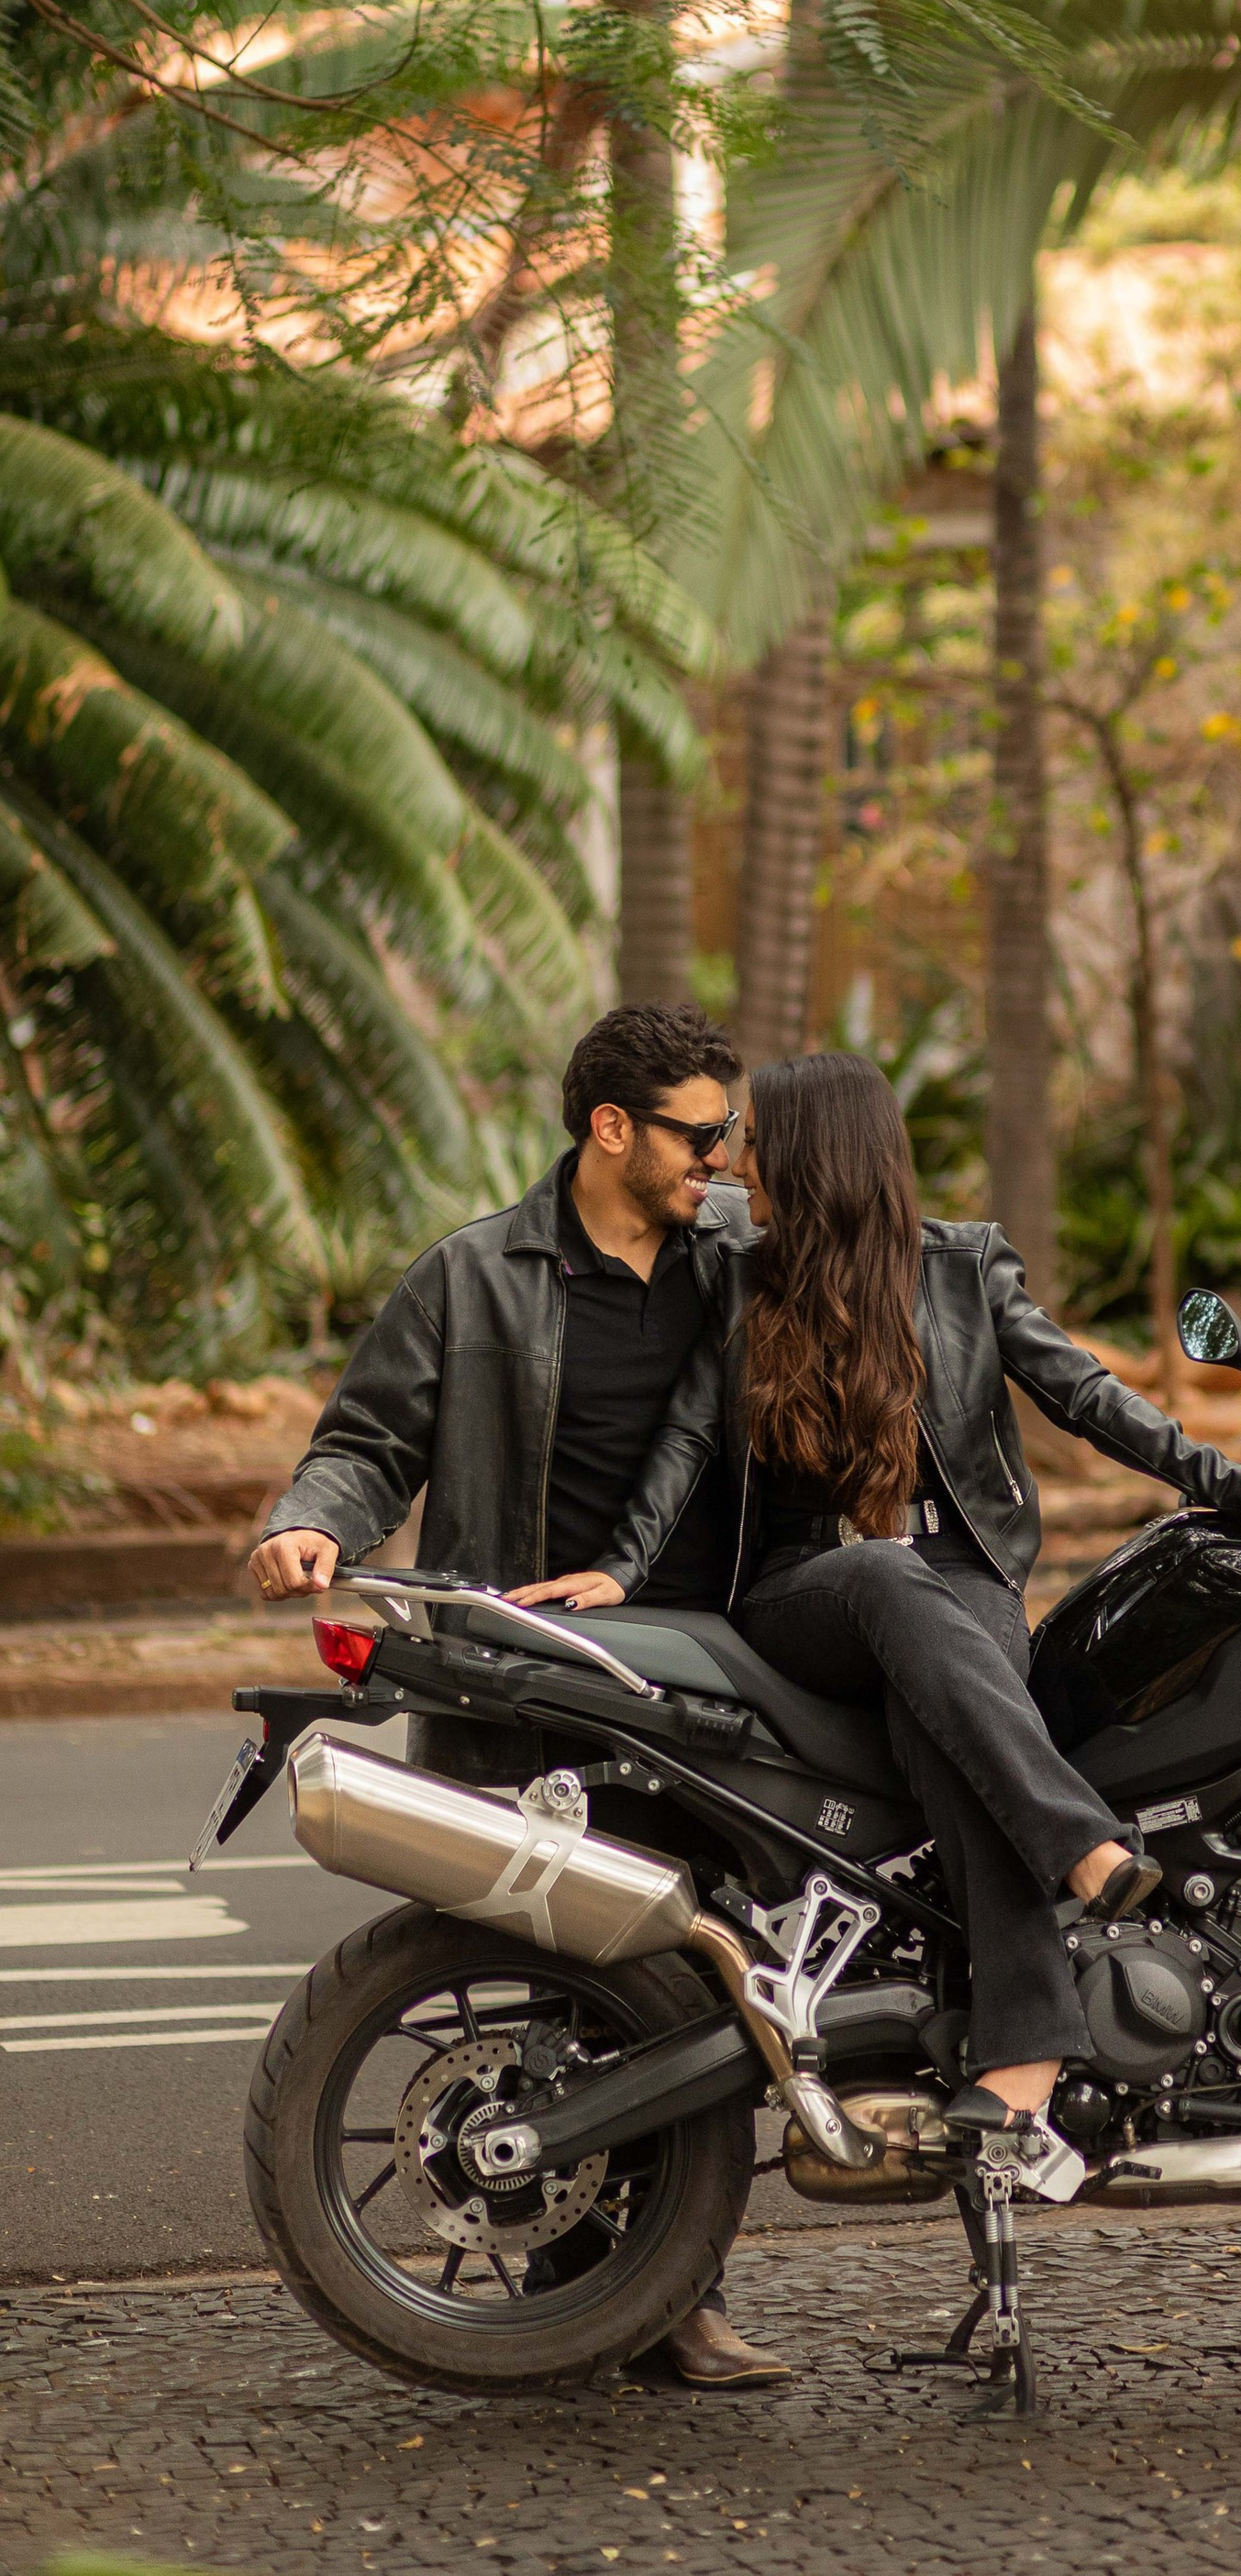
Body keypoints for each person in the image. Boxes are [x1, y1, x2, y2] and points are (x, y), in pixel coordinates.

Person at [248, 999, 781, 2389]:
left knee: (705, 1983)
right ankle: (589, 2291)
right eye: (700, 1132)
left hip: (716, 1677)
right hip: (534, 1680)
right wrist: (313, 1523)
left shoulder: (742, 1257)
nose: (722, 1156)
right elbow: (369, 1441)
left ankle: (673, 2291)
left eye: (730, 1131)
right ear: (611, 1128)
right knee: (571, 1990)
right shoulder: (473, 1276)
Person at [716, 1047, 1241, 2190]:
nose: (734, 1160)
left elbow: (1083, 1392)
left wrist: (1227, 1479)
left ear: (809, 1153)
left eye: (751, 1139)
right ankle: (1081, 1849)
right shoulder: (739, 1278)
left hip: (961, 1581)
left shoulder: (962, 1266)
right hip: (810, 1587)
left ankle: (1014, 2072)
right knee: (885, 1576)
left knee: (946, 1717)